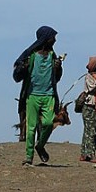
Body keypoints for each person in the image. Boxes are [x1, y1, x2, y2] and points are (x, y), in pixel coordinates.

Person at [12, 25, 64, 166]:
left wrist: (58, 68)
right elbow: (16, 75)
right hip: (32, 95)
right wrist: (24, 66)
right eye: (53, 37)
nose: (55, 40)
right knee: (31, 127)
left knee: (48, 123)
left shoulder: (53, 57)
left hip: (49, 95)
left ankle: (39, 146)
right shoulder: (31, 55)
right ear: (46, 38)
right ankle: (29, 157)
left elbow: (57, 78)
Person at [79, 56, 96, 162]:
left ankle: (85, 154)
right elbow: (93, 89)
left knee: (90, 130)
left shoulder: (94, 76)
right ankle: (89, 154)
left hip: (92, 105)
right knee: (91, 131)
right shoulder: (89, 77)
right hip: (89, 105)